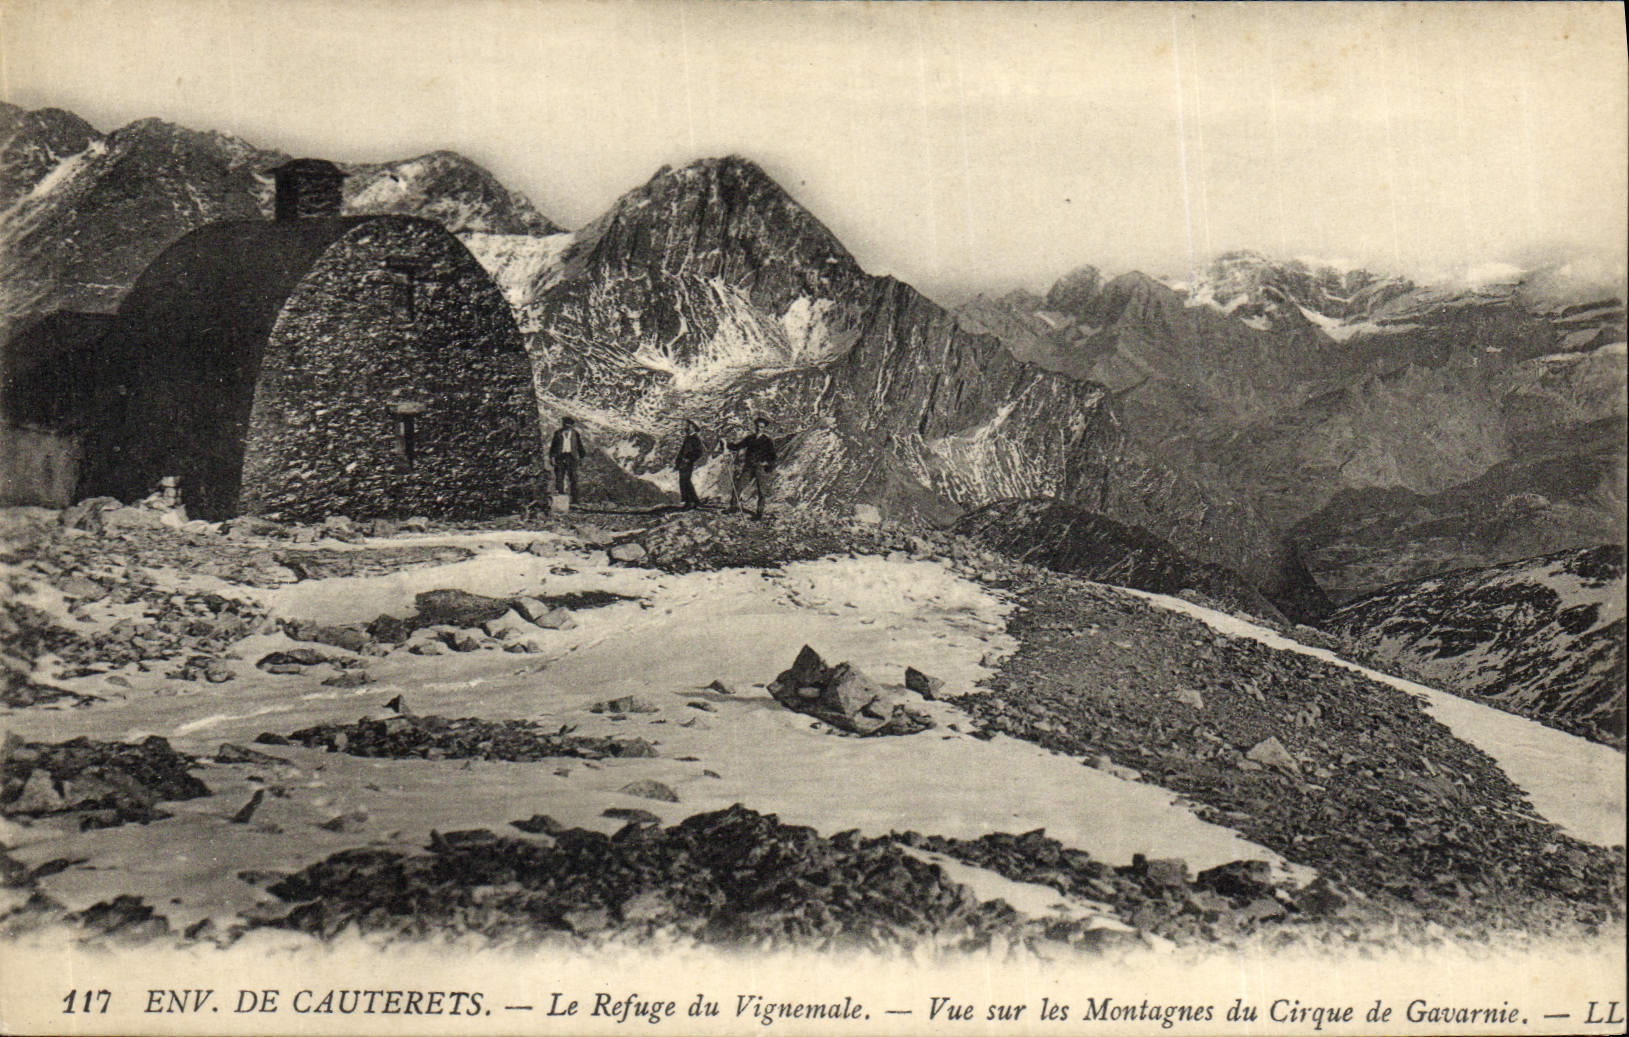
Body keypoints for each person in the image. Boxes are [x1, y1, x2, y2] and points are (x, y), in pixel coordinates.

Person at [727, 417, 777, 518]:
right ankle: (733, 507)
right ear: (755, 427)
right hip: (749, 467)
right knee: (739, 486)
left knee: (761, 492)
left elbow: (773, 457)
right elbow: (738, 446)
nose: (759, 429)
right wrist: (726, 444)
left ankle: (759, 514)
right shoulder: (750, 438)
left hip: (760, 468)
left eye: (761, 427)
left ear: (764, 428)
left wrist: (767, 464)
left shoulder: (767, 441)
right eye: (758, 426)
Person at [548, 415, 586, 503]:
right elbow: (553, 447)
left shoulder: (575, 434)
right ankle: (561, 499)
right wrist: (552, 457)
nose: (567, 426)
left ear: (571, 425)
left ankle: (575, 500)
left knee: (573, 478)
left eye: (569, 425)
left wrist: (581, 457)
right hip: (560, 457)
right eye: (565, 424)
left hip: (572, 457)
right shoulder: (557, 433)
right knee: (559, 478)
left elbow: (580, 446)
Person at [675, 419, 704, 509]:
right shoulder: (688, 438)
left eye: (689, 426)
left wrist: (689, 459)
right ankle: (691, 501)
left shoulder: (695, 439)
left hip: (687, 463)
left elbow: (699, 452)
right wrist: (678, 462)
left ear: (693, 427)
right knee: (683, 481)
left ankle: (691, 502)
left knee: (685, 481)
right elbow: (682, 452)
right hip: (683, 463)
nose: (686, 427)